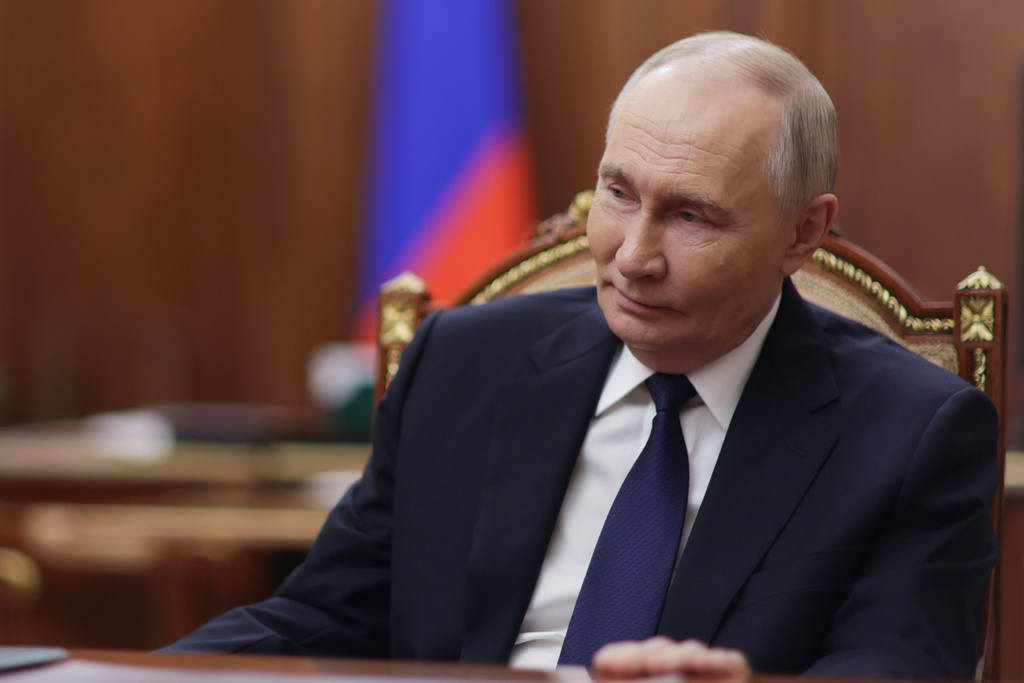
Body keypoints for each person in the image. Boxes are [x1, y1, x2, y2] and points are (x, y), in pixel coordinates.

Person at [163, 31, 999, 680]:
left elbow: (899, 666)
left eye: (692, 216)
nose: (633, 255)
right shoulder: (461, 364)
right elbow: (317, 618)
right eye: (618, 192)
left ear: (805, 231)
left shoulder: (913, 432)